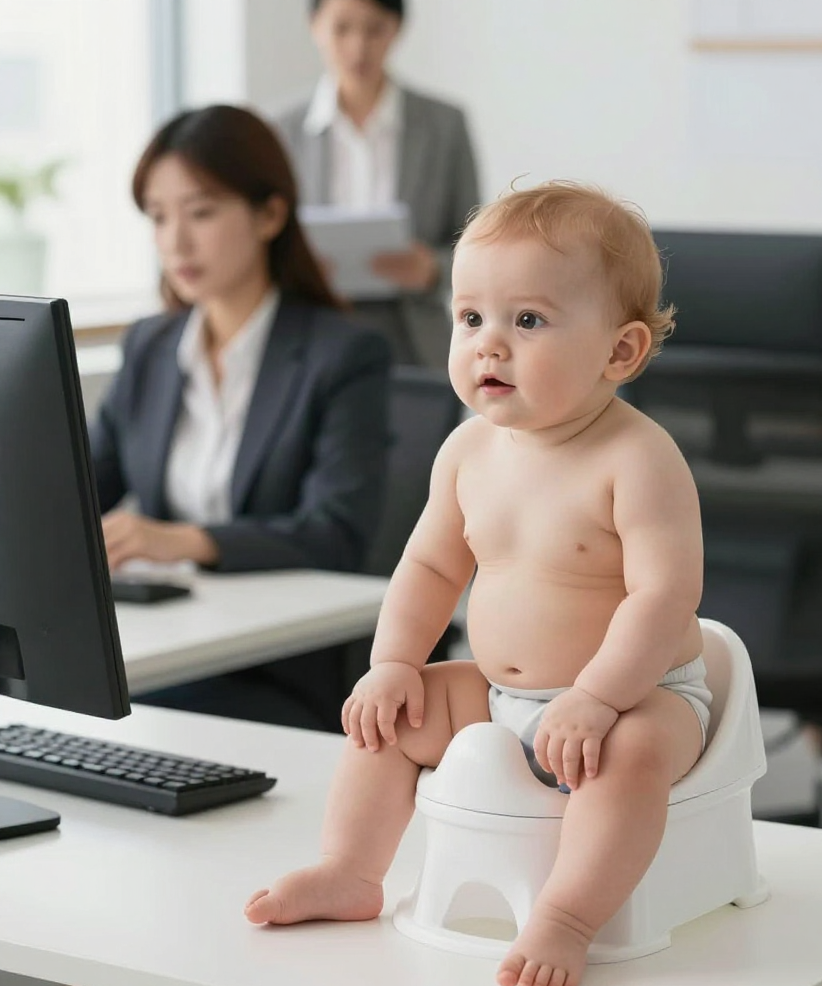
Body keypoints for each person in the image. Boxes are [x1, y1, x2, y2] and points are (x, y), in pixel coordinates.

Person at [243, 181, 712, 986]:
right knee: (392, 717)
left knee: (628, 759)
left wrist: (598, 697)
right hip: (499, 693)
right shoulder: (466, 452)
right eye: (470, 318)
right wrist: (392, 662)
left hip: (641, 694)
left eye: (527, 320)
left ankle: (566, 917)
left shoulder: (637, 458)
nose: (489, 345)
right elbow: (428, 567)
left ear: (619, 352)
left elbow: (664, 598)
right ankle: (352, 872)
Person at [90, 104, 391, 731]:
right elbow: (82, 487)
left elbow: (336, 531)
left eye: (200, 212)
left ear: (270, 214)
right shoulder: (150, 345)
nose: (176, 241)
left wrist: (183, 540)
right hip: (170, 638)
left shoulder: (344, 355)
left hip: (279, 665)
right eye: (158, 216)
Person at [273, 0, 480, 370]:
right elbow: (265, 240)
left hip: (412, 334)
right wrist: (298, 267)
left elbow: (476, 243)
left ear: (397, 29)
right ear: (314, 27)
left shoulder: (444, 125)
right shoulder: (281, 130)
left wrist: (431, 268)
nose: (358, 47)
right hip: (311, 330)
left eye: (374, 29)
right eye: (342, 29)